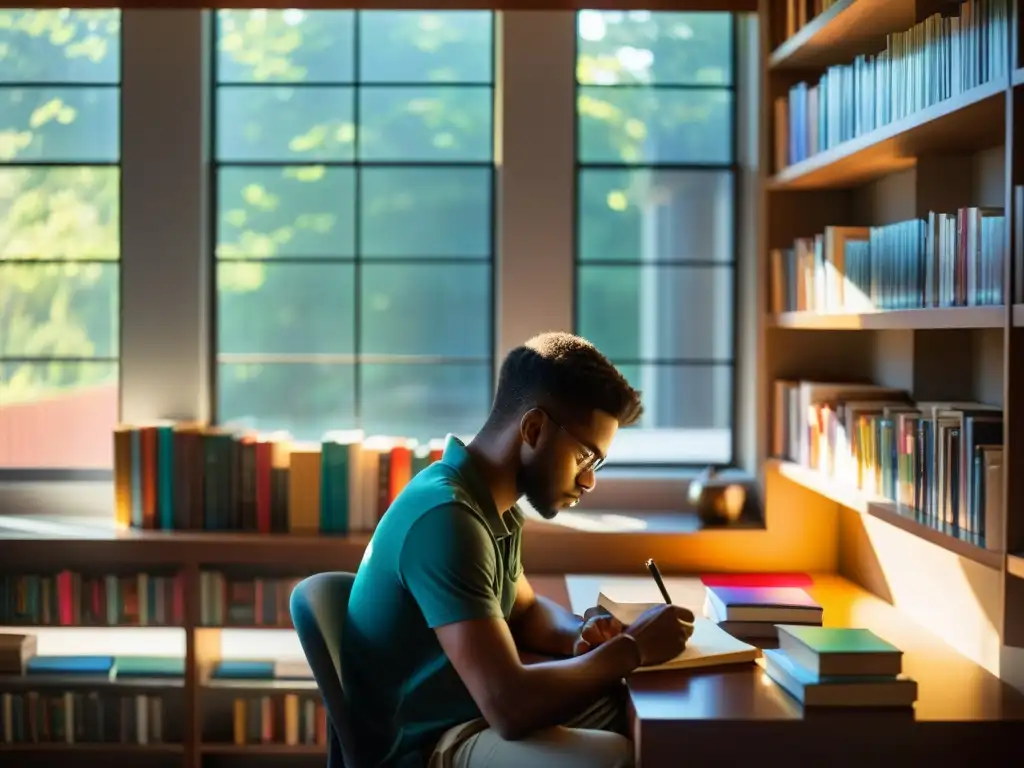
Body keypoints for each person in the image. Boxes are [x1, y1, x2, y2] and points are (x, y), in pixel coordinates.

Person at [341, 332, 695, 768]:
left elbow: (524, 614)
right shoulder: (447, 519)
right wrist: (632, 649)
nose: (589, 481)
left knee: (629, 711)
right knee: (615, 756)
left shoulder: (494, 507)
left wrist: (585, 633)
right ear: (534, 429)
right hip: (426, 746)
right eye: (586, 457)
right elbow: (508, 707)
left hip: (467, 713)